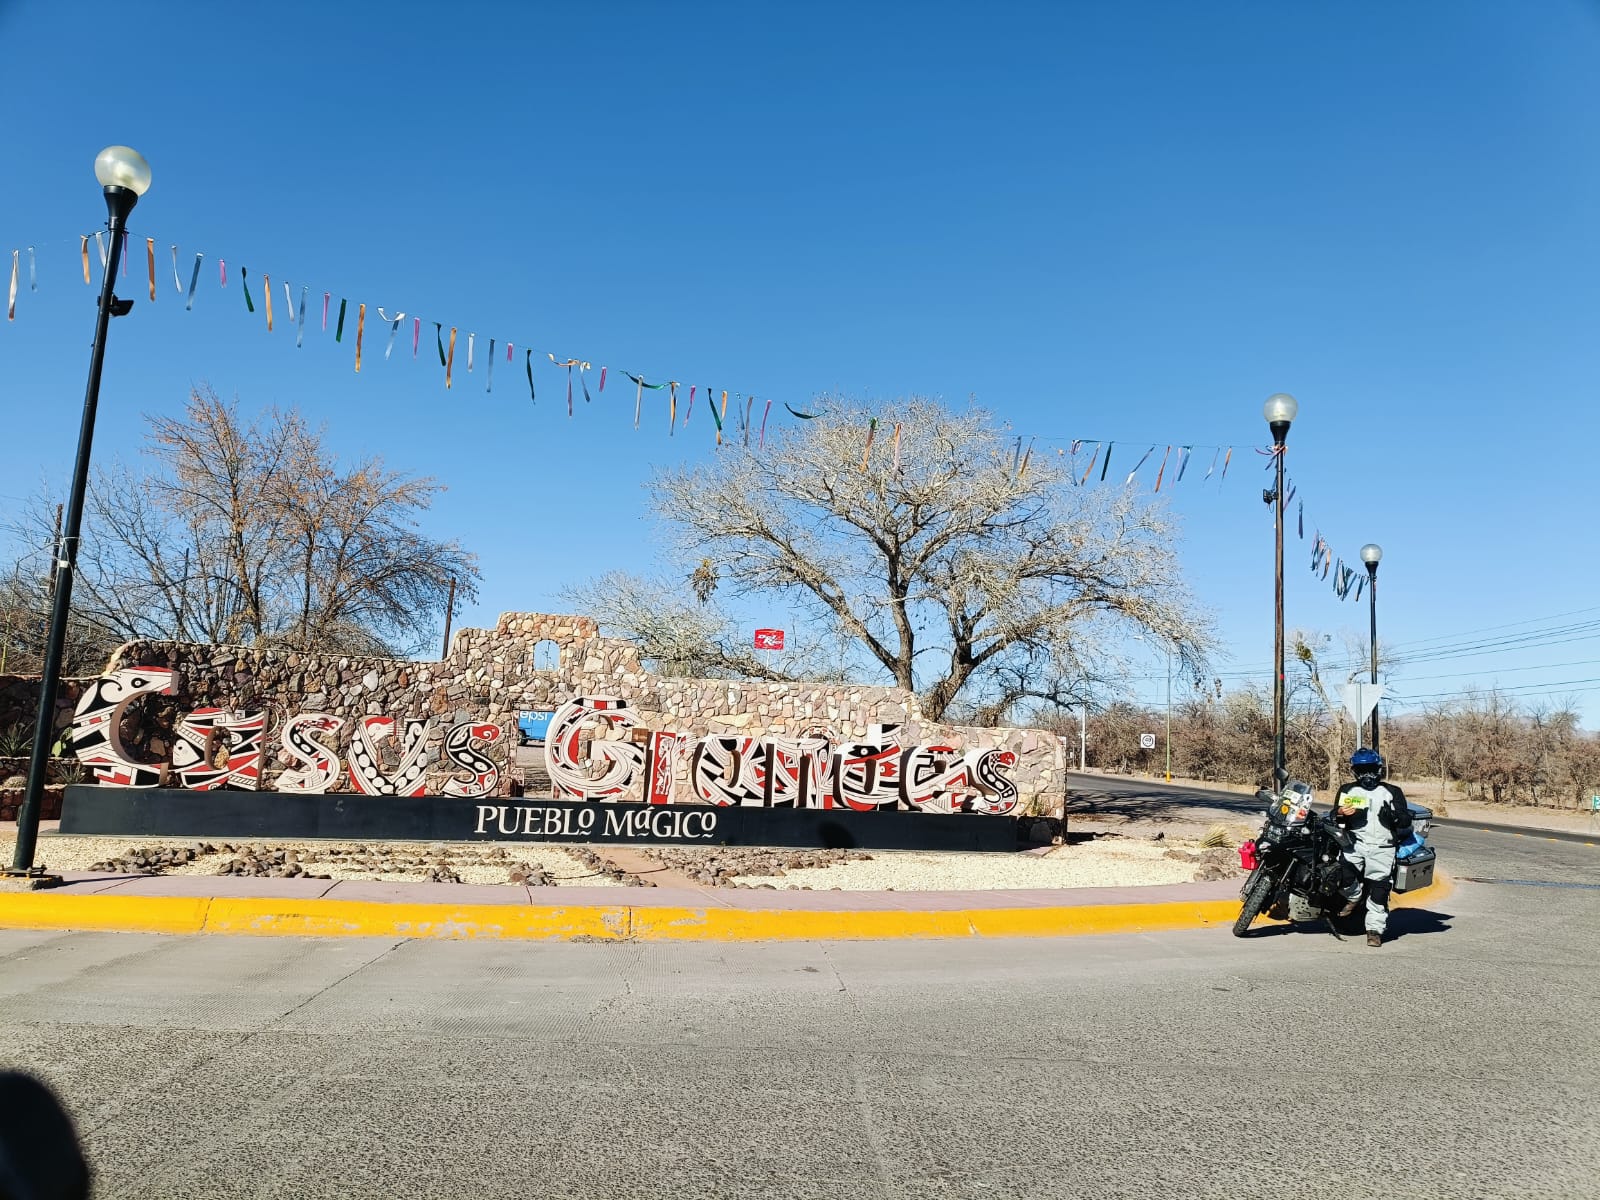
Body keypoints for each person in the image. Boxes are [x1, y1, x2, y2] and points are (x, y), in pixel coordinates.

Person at [1333, 747, 1413, 947]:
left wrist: (1394, 817)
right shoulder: (1347, 790)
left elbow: (1405, 819)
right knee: (1341, 876)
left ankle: (1374, 930)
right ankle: (1354, 896)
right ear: (1354, 771)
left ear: (1378, 769)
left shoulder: (1392, 791)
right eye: (1361, 770)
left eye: (1370, 769)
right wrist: (1342, 814)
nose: (1366, 775)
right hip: (1355, 845)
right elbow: (1338, 820)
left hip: (1383, 848)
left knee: (1379, 891)